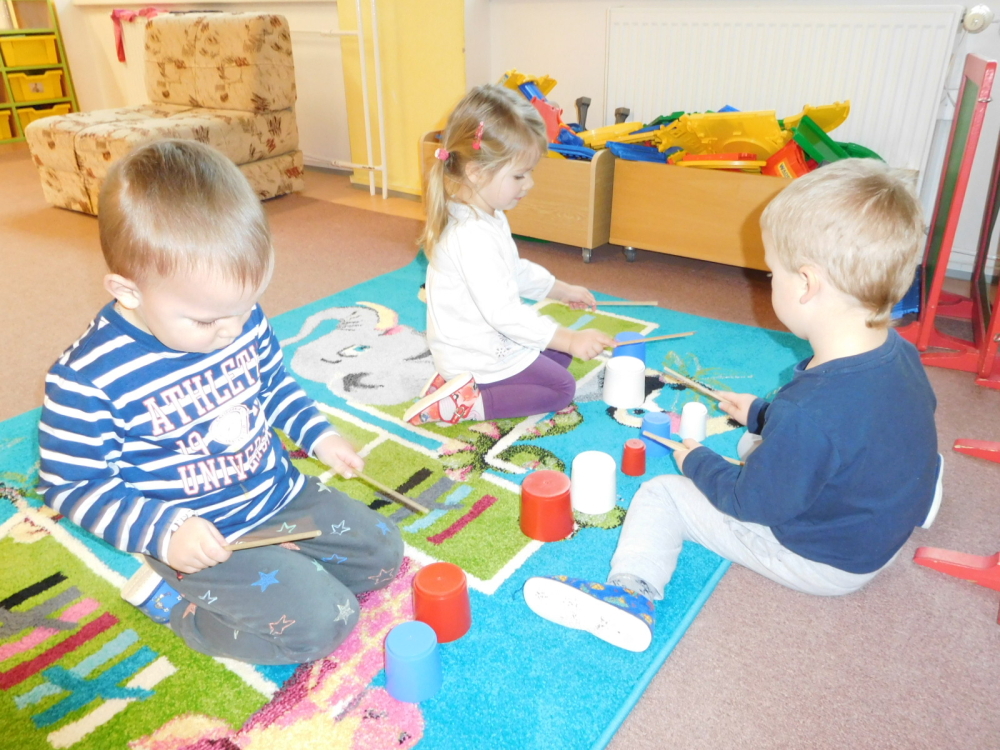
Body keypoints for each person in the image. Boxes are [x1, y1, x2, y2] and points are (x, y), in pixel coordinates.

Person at [523, 159, 939, 652]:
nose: (768, 282)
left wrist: (696, 460)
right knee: (759, 442)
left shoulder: (809, 413)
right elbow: (848, 422)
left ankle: (630, 592)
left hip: (825, 560)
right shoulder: (900, 353)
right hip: (879, 521)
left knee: (663, 494)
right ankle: (913, 488)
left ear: (807, 284)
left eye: (771, 274)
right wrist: (762, 414)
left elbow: (752, 502)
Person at [37, 140, 403, 665]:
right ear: (128, 290)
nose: (234, 330)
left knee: (384, 554)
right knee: (322, 624)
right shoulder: (86, 380)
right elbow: (73, 486)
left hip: (278, 495)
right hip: (199, 537)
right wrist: (165, 533)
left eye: (247, 306)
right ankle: (177, 607)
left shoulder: (235, 317)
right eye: (207, 320)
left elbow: (272, 384)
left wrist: (318, 433)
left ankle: (281, 565)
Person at [403, 84, 615, 426]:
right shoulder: (471, 236)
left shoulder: (487, 212)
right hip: (475, 352)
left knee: (559, 355)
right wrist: (571, 338)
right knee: (561, 387)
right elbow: (504, 314)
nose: (529, 184)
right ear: (476, 172)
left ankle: (456, 383)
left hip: (479, 338)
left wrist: (558, 289)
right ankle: (465, 403)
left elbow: (512, 271)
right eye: (519, 175)